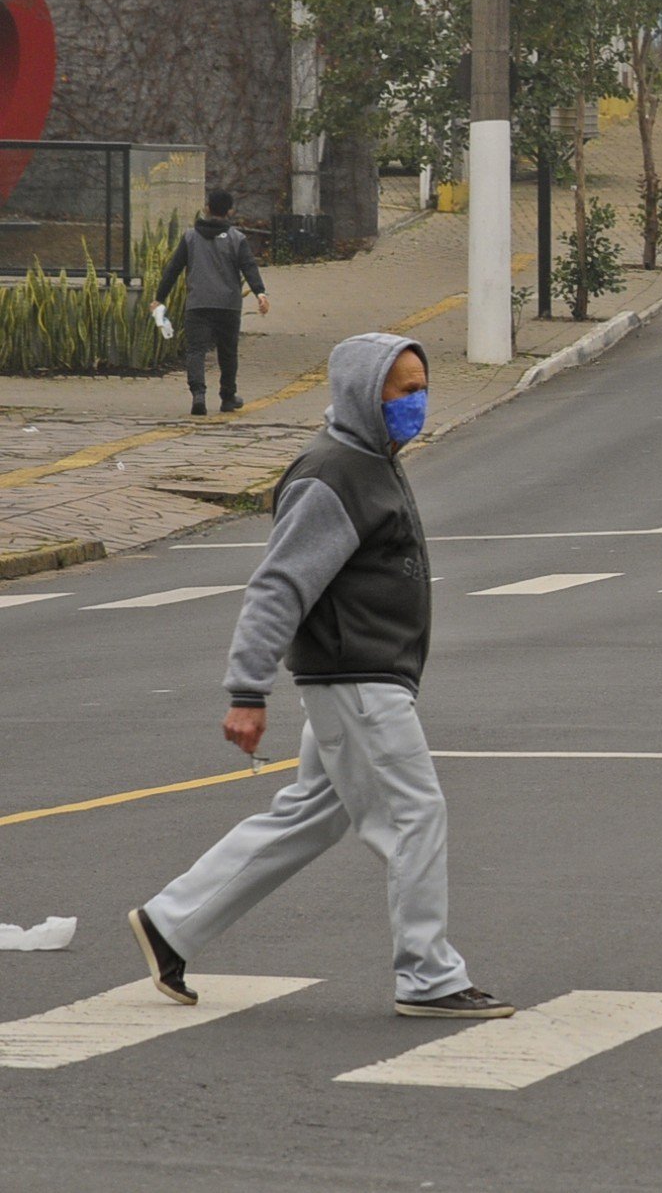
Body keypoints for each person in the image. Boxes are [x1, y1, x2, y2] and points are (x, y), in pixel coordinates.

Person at [128, 333, 513, 1021]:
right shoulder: (332, 473)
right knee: (416, 814)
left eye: (423, 387)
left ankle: (171, 923)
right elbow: (279, 586)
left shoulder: (372, 461)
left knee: (309, 816)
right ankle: (427, 975)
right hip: (357, 681)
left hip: (362, 676)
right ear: (366, 393)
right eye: (404, 389)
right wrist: (247, 691)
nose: (418, 401)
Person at [152, 188, 269, 417]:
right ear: (230, 211)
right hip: (228, 305)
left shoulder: (190, 237)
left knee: (195, 350)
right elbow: (249, 267)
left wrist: (159, 298)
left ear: (206, 208)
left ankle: (198, 395)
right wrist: (260, 293)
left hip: (198, 304)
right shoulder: (237, 239)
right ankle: (227, 397)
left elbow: (173, 269)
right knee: (227, 352)